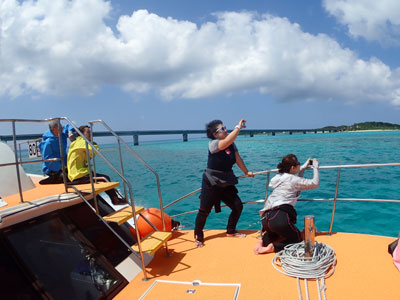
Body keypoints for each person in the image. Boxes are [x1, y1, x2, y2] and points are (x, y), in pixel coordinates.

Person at [194, 119, 254, 248]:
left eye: (225, 127)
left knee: (237, 206)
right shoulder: (213, 144)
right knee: (204, 211)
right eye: (223, 129)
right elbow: (225, 142)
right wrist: (238, 127)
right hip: (211, 182)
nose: (226, 130)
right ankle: (198, 236)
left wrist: (246, 171)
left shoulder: (232, 144)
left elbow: (238, 159)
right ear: (215, 134)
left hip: (226, 181)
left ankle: (231, 231)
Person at [254, 154, 319, 254]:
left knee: (275, 233)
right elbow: (315, 183)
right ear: (293, 167)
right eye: (298, 163)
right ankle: (272, 248)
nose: (299, 165)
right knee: (297, 239)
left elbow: (293, 178)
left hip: (266, 218)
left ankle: (261, 242)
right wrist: (315, 166)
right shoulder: (293, 180)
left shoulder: (278, 177)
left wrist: (303, 167)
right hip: (280, 217)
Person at [67, 125, 127, 205]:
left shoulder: (76, 143)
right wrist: (93, 143)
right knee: (105, 178)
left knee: (102, 177)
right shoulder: (82, 142)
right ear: (81, 134)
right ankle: (116, 200)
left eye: (90, 132)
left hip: (75, 174)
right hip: (79, 175)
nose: (90, 134)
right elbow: (95, 150)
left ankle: (115, 198)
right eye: (88, 132)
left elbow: (90, 155)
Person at [38, 120, 75, 184]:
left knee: (75, 174)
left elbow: (68, 126)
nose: (61, 128)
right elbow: (48, 160)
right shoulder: (47, 142)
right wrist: (60, 167)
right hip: (52, 169)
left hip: (64, 165)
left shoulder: (62, 135)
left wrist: (70, 131)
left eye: (61, 126)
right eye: (59, 127)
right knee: (67, 177)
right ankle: (53, 178)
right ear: (53, 129)